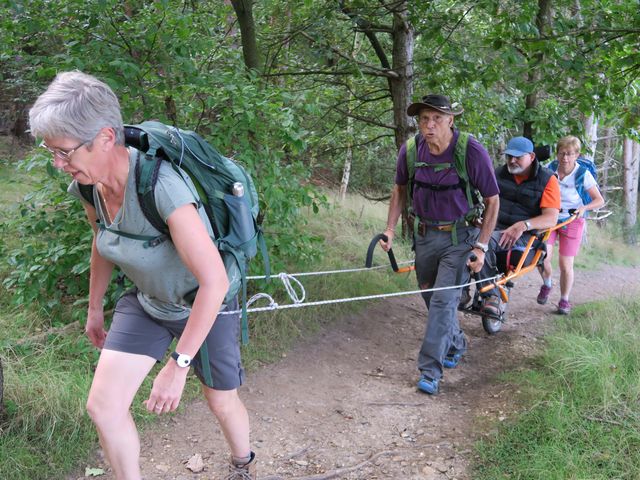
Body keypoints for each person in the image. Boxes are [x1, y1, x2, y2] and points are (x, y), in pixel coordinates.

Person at [28, 71, 256, 480]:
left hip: (203, 305)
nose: (59, 164)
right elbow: (102, 241)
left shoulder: (162, 188)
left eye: (64, 152)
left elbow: (215, 281)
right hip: (148, 302)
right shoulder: (89, 185)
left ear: (104, 137)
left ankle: (244, 462)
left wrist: (178, 364)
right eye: (52, 152)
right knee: (103, 407)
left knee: (220, 402)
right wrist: (94, 308)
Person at [381, 94, 500, 395]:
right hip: (424, 237)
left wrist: (482, 246)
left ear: (450, 120)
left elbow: (492, 200)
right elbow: (399, 189)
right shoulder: (410, 151)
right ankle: (457, 342)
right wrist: (390, 230)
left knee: (443, 301)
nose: (429, 125)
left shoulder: (470, 151)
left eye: (436, 118)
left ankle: (430, 371)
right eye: (424, 119)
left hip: (460, 239)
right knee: (430, 299)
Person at [475, 136, 560, 315]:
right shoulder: (498, 173)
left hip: (525, 237)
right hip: (494, 227)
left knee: (482, 242)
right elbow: (485, 203)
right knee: (464, 236)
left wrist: (524, 225)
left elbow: (551, 218)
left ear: (531, 156)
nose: (512, 161)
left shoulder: (547, 179)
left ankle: (492, 295)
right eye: (509, 156)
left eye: (517, 157)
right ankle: (457, 291)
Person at [536, 136, 604, 314]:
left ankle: (564, 299)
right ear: (557, 154)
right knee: (541, 257)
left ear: (577, 155)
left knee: (566, 265)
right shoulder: (549, 169)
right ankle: (547, 283)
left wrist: (584, 208)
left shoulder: (583, 174)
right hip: (550, 217)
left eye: (570, 154)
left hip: (572, 220)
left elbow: (599, 200)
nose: (565, 158)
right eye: (562, 153)